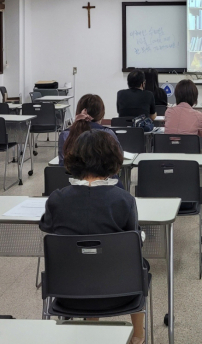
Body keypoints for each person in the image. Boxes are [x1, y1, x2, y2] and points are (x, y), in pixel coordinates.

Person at [40, 130, 147, 344]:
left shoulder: (57, 199)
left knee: (86, 261)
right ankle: (138, 335)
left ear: (74, 159)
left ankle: (92, 330)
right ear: (114, 161)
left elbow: (47, 226)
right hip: (120, 291)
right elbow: (132, 239)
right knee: (137, 264)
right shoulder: (124, 200)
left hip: (68, 292)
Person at [58, 94, 120, 165]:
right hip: (104, 175)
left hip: (73, 175)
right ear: (102, 115)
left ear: (78, 112)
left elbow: (63, 165)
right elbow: (118, 160)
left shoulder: (65, 135)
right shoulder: (108, 134)